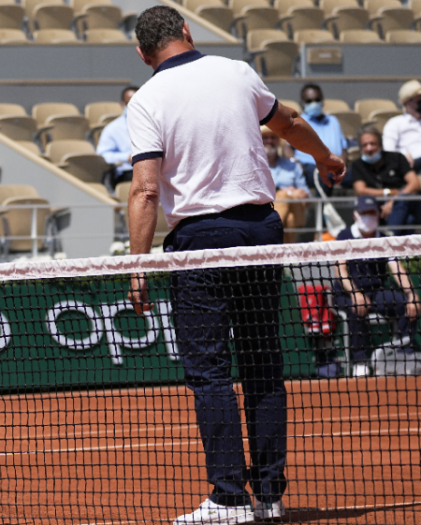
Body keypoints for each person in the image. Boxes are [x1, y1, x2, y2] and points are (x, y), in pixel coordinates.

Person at [124, 6, 346, 525]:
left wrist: (137, 268)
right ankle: (269, 495)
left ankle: (228, 498)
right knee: (264, 363)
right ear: (187, 32)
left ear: (141, 53)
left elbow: (146, 188)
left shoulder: (147, 99)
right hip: (261, 232)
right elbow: (288, 123)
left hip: (201, 240)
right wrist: (324, 158)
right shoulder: (237, 70)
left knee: (210, 373)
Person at [334, 196, 418, 377]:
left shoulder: (385, 239)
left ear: (379, 214)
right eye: (364, 213)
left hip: (376, 291)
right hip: (347, 293)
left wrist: (412, 294)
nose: (368, 216)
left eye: (372, 212)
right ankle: (360, 359)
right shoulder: (344, 236)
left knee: (407, 304)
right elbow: (340, 270)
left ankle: (404, 353)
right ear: (355, 215)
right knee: (356, 307)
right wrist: (355, 294)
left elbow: (397, 269)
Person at [351, 125, 421, 235]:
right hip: (375, 210)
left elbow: (415, 184)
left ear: (380, 144)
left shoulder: (397, 158)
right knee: (409, 220)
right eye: (365, 145)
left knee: (406, 208)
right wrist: (388, 192)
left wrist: (394, 202)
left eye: (372, 144)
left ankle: (390, 239)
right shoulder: (357, 165)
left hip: (404, 206)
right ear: (360, 148)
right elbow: (361, 191)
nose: (369, 148)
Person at [292, 83, 349, 195]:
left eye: (317, 100)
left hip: (335, 166)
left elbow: (344, 148)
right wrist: (296, 163)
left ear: (323, 101)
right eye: (309, 101)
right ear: (302, 104)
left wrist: (342, 164)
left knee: (360, 176)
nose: (314, 103)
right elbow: (286, 147)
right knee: (324, 176)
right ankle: (324, 212)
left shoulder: (333, 121)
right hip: (310, 168)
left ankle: (367, 210)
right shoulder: (298, 122)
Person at [262, 126, 310, 243]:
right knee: (289, 219)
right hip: (264, 210)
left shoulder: (293, 166)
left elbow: (307, 195)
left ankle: (269, 234)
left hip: (294, 210)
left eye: (273, 137)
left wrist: (297, 194)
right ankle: (290, 257)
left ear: (278, 141)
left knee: (284, 197)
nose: (270, 141)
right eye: (265, 138)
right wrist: (287, 192)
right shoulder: (253, 165)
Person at [96, 85, 140, 191]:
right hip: (128, 172)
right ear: (122, 104)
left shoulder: (155, 124)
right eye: (129, 102)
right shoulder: (112, 128)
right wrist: (126, 157)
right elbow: (103, 155)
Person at [383, 79, 421, 173]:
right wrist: (403, 155)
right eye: (419, 100)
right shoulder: (395, 123)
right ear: (408, 102)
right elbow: (388, 150)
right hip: (410, 164)